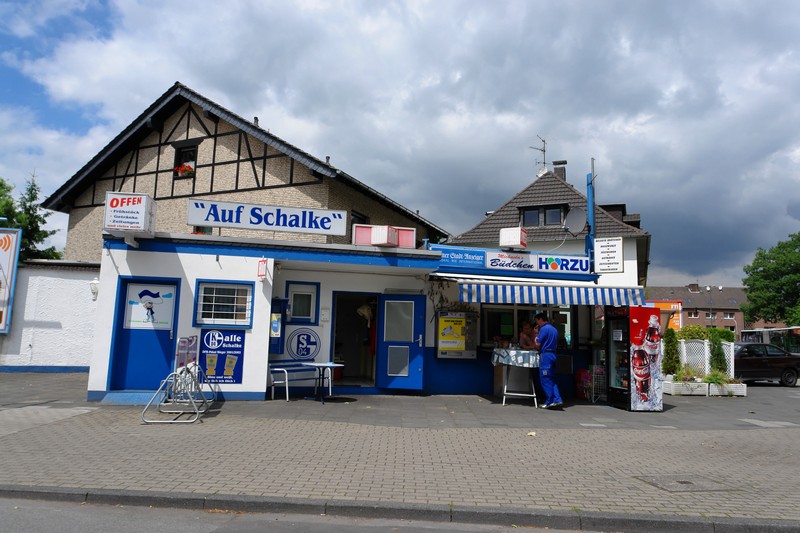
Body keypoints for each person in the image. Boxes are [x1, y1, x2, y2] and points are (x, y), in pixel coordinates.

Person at [534, 312, 563, 409]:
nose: (537, 323)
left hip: (545, 355)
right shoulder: (554, 329)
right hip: (553, 355)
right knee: (552, 378)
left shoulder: (543, 329)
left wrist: (535, 338)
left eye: (537, 321)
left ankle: (549, 401)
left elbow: (538, 344)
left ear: (541, 319)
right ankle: (557, 399)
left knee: (545, 379)